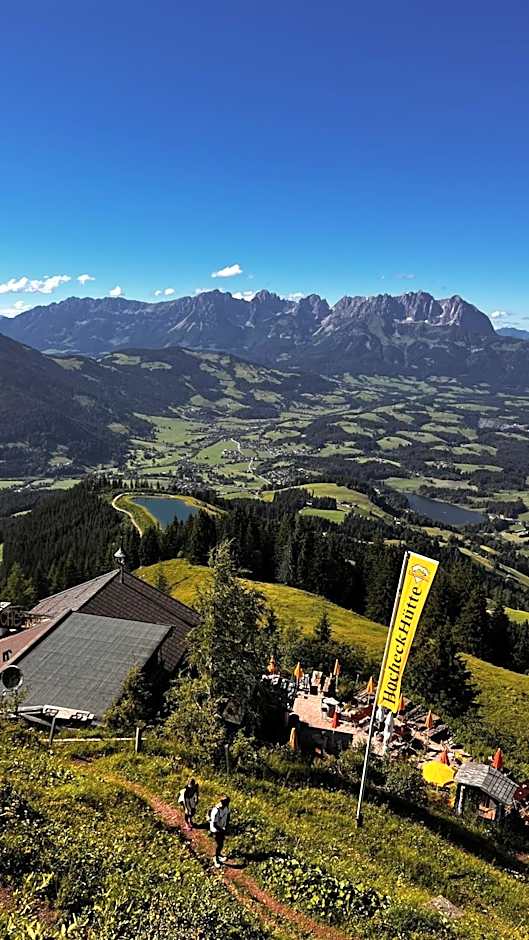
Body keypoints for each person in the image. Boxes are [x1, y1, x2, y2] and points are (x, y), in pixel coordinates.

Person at [209, 795, 231, 868]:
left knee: (221, 844)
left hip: (222, 828)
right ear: (222, 802)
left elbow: (228, 815)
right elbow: (214, 824)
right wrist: (222, 831)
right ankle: (216, 858)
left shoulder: (226, 807)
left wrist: (227, 826)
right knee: (218, 844)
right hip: (216, 830)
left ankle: (219, 855)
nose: (228, 804)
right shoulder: (216, 810)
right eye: (226, 802)